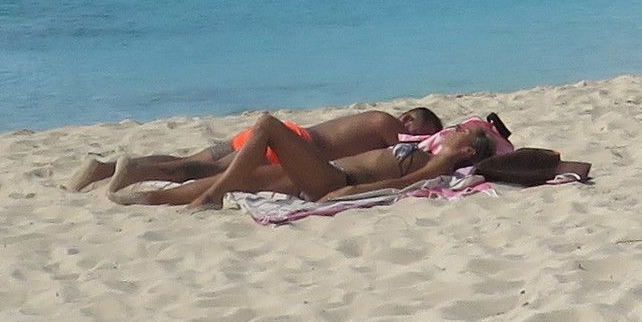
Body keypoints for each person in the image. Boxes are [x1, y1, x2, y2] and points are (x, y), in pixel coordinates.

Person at [108, 112, 505, 210]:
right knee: (245, 178)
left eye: (462, 134)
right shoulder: (433, 150)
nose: (454, 131)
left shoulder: (439, 165)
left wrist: (346, 194)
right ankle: (147, 200)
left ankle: (213, 196)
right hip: (326, 174)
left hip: (334, 181)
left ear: (467, 151)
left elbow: (400, 186)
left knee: (267, 125)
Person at [73, 104, 441, 195]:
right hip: (291, 144)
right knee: (200, 171)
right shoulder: (387, 124)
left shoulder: (373, 118)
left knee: (196, 159)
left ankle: (105, 169)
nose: (419, 140)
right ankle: (135, 172)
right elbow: (412, 153)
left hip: (280, 133)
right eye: (423, 131)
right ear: (410, 120)